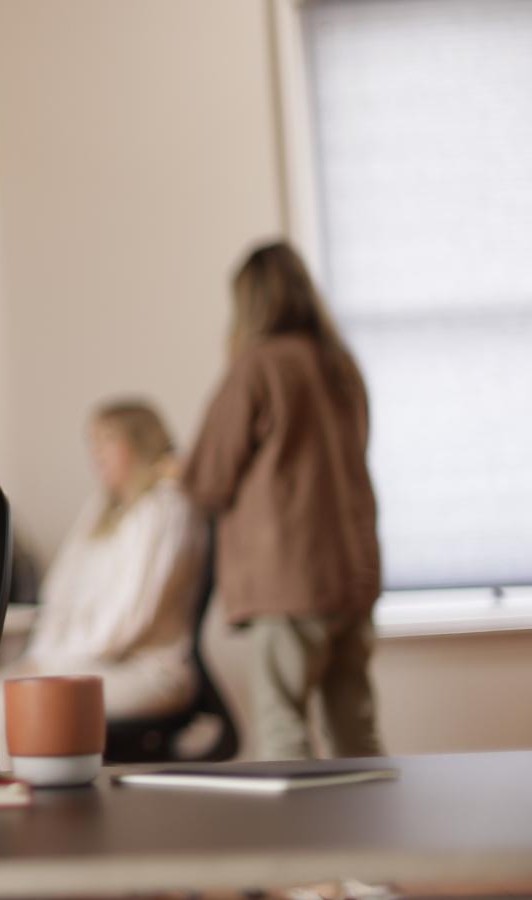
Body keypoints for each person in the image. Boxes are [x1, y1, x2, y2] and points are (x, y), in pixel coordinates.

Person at [184, 240, 383, 761]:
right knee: (356, 734)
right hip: (353, 573)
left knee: (282, 729)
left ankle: (299, 822)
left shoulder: (258, 366)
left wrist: (172, 472)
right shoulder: (341, 365)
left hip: (289, 578)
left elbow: (209, 477)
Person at [0, 401, 207, 764]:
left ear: (140, 444)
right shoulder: (101, 510)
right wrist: (42, 657)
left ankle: (14, 797)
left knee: (4, 704)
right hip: (85, 662)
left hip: (145, 670)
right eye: (92, 443)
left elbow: (129, 618)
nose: (97, 454)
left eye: (108, 441)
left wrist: (57, 662)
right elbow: (59, 592)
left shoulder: (164, 508)